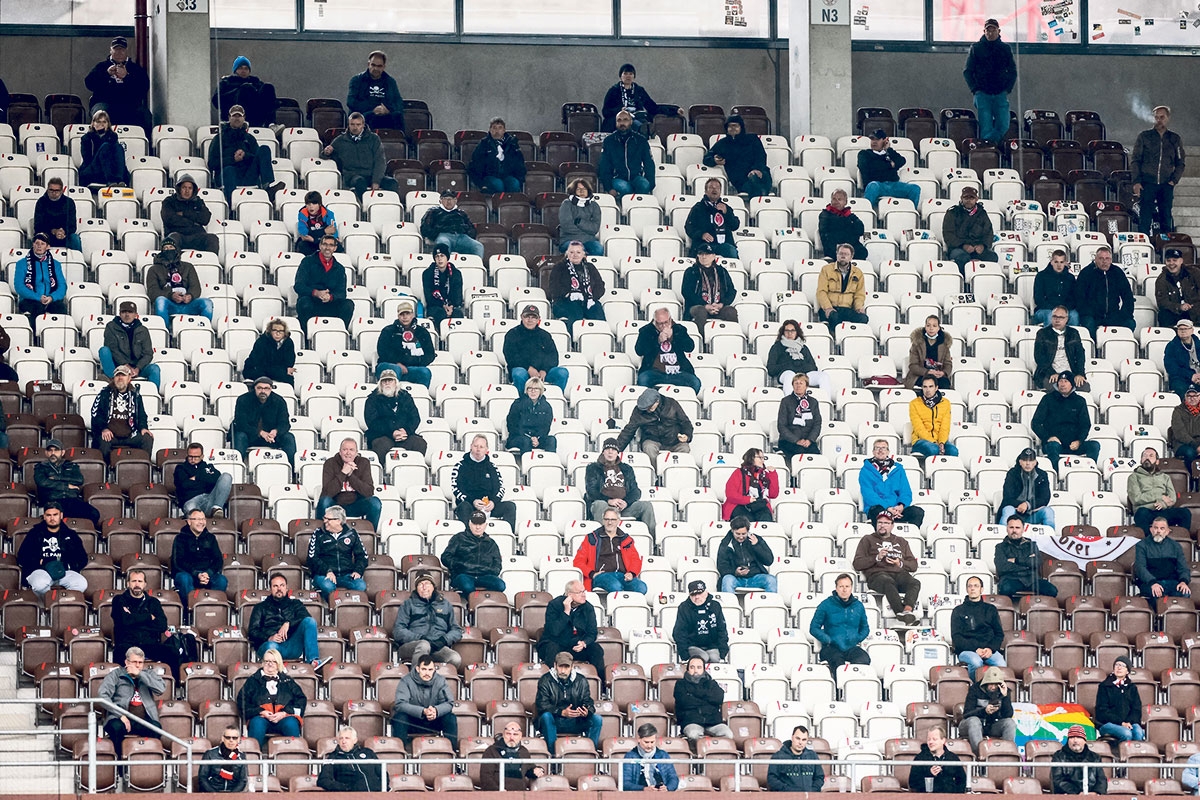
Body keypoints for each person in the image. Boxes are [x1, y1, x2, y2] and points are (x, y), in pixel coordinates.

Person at [852, 510, 922, 625]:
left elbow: (913, 566)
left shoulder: (901, 541)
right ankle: (904, 616)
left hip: (899, 573)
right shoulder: (867, 539)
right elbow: (857, 564)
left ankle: (907, 611)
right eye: (879, 522)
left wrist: (899, 563)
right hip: (877, 575)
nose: (882, 525)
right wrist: (877, 557)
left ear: (892, 525)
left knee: (915, 582)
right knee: (888, 582)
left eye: (886, 523)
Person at [112, 567, 181, 680]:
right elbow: (123, 622)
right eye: (134, 581)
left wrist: (133, 619)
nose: (137, 584)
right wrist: (149, 617)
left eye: (140, 581)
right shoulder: (119, 600)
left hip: (149, 644)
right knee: (119, 653)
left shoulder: (153, 602)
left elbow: (162, 625)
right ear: (128, 583)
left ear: (145, 584)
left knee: (172, 652)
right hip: (127, 644)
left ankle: (177, 689)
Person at [99, 647, 164, 767]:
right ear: (127, 662)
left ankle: (148, 767)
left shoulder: (148, 674)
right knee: (116, 728)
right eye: (134, 662)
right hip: (120, 718)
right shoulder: (116, 675)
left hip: (143, 720)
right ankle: (119, 767)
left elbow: (161, 689)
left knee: (156, 728)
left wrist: (140, 675)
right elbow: (102, 696)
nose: (138, 665)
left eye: (140, 663)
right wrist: (120, 715)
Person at [206, 104, 282, 204]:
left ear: (244, 118)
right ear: (229, 118)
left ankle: (267, 188)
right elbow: (212, 163)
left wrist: (245, 156)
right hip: (227, 175)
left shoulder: (249, 138)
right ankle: (231, 205)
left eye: (239, 116)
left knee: (264, 149)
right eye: (234, 116)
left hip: (247, 175)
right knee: (229, 170)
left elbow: (257, 159)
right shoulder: (219, 139)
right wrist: (233, 159)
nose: (237, 118)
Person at [236, 648, 306, 748]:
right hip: (261, 718)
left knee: (291, 723)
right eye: (267, 661)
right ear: (263, 663)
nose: (270, 664)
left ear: (279, 664)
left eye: (274, 661)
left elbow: (301, 699)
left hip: (283, 717)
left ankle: (295, 758)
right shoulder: (252, 681)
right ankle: (253, 758)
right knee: (257, 724)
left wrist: (285, 713)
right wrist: (261, 711)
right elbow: (242, 701)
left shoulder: (288, 681)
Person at [1132, 105, 1185, 236]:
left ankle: (1165, 246)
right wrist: (1137, 181)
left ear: (1167, 119)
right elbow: (1135, 160)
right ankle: (1144, 244)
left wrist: (1173, 180)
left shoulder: (1174, 139)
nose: (1159, 120)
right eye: (1156, 117)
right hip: (1147, 183)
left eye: (1162, 117)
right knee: (1145, 217)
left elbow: (1181, 162)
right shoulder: (1144, 137)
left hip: (1166, 184)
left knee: (1166, 216)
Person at [963, 19, 1017, 146]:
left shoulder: (1005, 49)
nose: (991, 33)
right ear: (984, 31)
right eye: (988, 30)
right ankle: (988, 152)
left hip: (1000, 93)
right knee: (985, 126)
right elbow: (967, 71)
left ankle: (986, 144)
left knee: (1004, 125)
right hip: (982, 94)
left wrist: (1007, 88)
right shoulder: (976, 48)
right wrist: (975, 89)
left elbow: (1012, 71)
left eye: (993, 30)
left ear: (999, 31)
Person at [246, 574, 321, 666]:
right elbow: (252, 631)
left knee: (310, 621)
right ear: (270, 589)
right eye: (275, 586)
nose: (279, 588)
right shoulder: (260, 607)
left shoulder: (295, 604)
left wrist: (288, 623)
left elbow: (305, 616)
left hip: (292, 645)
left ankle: (314, 661)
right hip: (270, 645)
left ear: (286, 588)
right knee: (271, 647)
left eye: (282, 585)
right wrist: (269, 638)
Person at [535, 651, 603, 751]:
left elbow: (588, 702)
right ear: (555, 665)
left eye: (566, 667)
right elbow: (541, 704)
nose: (563, 670)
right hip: (554, 720)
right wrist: (561, 712)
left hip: (575, 720)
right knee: (546, 716)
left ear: (572, 667)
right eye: (560, 667)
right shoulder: (545, 680)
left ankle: (590, 753)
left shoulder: (581, 680)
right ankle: (554, 753)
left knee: (597, 719)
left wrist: (586, 711)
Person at [391, 572, 463, 666]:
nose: (424, 587)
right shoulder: (408, 604)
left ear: (433, 586)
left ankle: (436, 680)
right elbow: (398, 631)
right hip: (412, 645)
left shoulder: (446, 605)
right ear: (416, 588)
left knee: (455, 658)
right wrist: (419, 638)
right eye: (420, 584)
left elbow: (456, 630)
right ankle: (416, 679)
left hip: (437, 646)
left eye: (427, 583)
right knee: (424, 645)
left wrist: (443, 640)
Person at [322, 112, 400, 198]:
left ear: (363, 125)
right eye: (352, 124)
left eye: (358, 124)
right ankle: (364, 206)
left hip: (371, 175)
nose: (355, 127)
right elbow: (324, 156)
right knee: (359, 182)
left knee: (392, 183)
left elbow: (380, 161)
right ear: (349, 125)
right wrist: (326, 152)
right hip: (352, 176)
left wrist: (376, 181)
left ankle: (389, 206)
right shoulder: (340, 140)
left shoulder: (373, 139)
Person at [17, 502, 87, 598]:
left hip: (64, 570)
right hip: (41, 570)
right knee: (39, 584)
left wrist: (67, 565)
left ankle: (63, 606)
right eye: (49, 515)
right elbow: (22, 556)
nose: (52, 518)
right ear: (44, 516)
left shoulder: (70, 534)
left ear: (61, 515)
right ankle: (46, 607)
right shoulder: (34, 533)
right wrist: (39, 562)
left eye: (55, 515)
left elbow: (82, 558)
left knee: (81, 584)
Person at [537, 579, 606, 677]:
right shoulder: (554, 605)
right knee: (552, 648)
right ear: (569, 595)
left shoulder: (588, 608)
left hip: (577, 646)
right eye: (579, 592)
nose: (584, 595)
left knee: (596, 649)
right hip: (556, 643)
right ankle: (551, 684)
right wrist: (566, 612)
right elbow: (554, 631)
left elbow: (592, 632)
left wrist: (584, 643)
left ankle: (600, 686)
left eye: (584, 591)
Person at [1031, 371, 1101, 465]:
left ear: (1072, 384)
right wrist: (1048, 437)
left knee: (1094, 445)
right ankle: (1055, 475)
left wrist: (1079, 441)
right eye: (1060, 381)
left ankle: (1090, 472)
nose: (1062, 384)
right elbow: (1035, 423)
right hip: (1054, 443)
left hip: (1073, 445)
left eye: (1066, 381)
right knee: (1052, 446)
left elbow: (1085, 425)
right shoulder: (1048, 399)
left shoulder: (1080, 401)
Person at [84, 36, 151, 133]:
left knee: (144, 114)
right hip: (105, 103)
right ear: (110, 50)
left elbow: (143, 88)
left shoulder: (135, 69)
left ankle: (146, 145)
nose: (119, 52)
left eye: (122, 49)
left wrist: (127, 77)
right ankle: (99, 144)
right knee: (101, 112)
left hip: (130, 105)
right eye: (116, 49)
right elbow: (89, 83)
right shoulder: (101, 67)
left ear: (127, 51)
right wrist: (106, 74)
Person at [451, 436, 518, 532]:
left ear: (486, 450)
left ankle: (508, 537)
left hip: (488, 506)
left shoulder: (492, 467)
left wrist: (493, 502)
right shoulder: (460, 466)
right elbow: (456, 488)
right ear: (471, 447)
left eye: (481, 447)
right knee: (463, 506)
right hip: (470, 505)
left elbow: (500, 488)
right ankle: (468, 540)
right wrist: (473, 501)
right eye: (475, 446)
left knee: (510, 506)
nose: (478, 449)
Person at [573, 509, 647, 594]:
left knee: (641, 587)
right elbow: (578, 561)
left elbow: (636, 560)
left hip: (623, 575)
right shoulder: (591, 538)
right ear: (603, 521)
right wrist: (592, 574)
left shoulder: (626, 539)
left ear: (618, 521)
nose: (610, 522)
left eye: (613, 519)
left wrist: (631, 573)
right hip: (601, 575)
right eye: (607, 519)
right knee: (616, 586)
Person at [584, 439, 655, 529]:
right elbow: (591, 491)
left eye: (613, 449)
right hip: (604, 505)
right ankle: (602, 540)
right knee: (600, 504)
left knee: (646, 505)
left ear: (617, 452)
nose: (610, 452)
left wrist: (626, 502)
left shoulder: (626, 468)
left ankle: (652, 541)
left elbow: (635, 491)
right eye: (607, 449)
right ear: (603, 452)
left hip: (623, 507)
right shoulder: (593, 468)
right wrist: (609, 501)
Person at [389, 654, 458, 746]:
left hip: (434, 720)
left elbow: (449, 703)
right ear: (418, 669)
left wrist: (436, 711)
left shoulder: (441, 681)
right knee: (400, 718)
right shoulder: (406, 681)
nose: (427, 673)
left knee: (450, 718)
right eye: (424, 669)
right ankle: (400, 753)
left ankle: (451, 754)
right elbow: (400, 704)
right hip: (413, 721)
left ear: (434, 670)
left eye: (430, 670)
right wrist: (422, 711)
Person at [147, 233, 212, 330]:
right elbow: (153, 292)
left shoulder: (188, 266)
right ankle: (166, 333)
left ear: (176, 249)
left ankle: (203, 330)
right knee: (160, 301)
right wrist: (171, 295)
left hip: (188, 303)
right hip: (169, 303)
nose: (168, 250)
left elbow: (196, 287)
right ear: (161, 251)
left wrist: (190, 296)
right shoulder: (154, 269)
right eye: (165, 248)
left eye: (171, 247)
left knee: (207, 303)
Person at [809, 573, 870, 675]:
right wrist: (828, 639)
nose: (844, 589)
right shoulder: (826, 605)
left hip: (851, 647)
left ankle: (854, 687)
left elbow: (865, 628)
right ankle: (839, 689)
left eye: (847, 586)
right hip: (831, 648)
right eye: (841, 586)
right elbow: (814, 628)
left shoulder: (858, 606)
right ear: (836, 588)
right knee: (837, 662)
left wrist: (857, 638)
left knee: (864, 659)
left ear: (851, 588)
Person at [306, 504, 369, 599]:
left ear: (338, 521)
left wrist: (357, 571)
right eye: (324, 518)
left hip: (346, 575)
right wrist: (327, 571)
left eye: (328, 519)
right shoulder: (319, 533)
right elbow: (312, 558)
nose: (324, 521)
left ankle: (348, 609)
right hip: (324, 574)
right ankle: (330, 609)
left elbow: (362, 556)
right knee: (328, 587)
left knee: (360, 586)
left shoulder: (352, 533)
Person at [317, 439, 382, 531]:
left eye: (351, 450)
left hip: (356, 505)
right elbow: (327, 493)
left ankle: (369, 535)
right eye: (345, 450)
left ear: (356, 453)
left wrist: (351, 475)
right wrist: (343, 473)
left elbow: (369, 492)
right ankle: (320, 535)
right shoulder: (330, 463)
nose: (348, 453)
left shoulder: (363, 463)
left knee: (375, 503)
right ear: (340, 452)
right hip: (335, 505)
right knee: (324, 501)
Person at [294, 234, 354, 335]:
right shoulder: (307, 262)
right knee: (304, 303)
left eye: (331, 245)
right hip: (311, 301)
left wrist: (330, 297)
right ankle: (306, 337)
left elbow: (341, 293)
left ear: (335, 248)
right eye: (325, 244)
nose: (327, 247)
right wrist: (316, 293)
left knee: (348, 304)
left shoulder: (339, 268)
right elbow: (299, 286)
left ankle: (340, 334)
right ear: (320, 246)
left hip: (330, 304)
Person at [90, 367, 154, 458]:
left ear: (129, 379)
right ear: (113, 379)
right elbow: (96, 414)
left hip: (130, 435)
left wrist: (143, 428)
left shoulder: (135, 396)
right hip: (110, 435)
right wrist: (104, 429)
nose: (120, 378)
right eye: (117, 375)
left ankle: (143, 469)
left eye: (123, 375)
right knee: (104, 440)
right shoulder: (104, 394)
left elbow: (142, 415)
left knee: (147, 438)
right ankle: (106, 470)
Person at [171, 510, 228, 611]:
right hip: (189, 573)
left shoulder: (210, 538)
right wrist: (196, 574)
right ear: (189, 521)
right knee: (183, 578)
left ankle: (211, 609)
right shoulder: (180, 538)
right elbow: (178, 562)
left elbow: (218, 560)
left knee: (221, 580)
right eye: (198, 519)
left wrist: (208, 573)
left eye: (203, 519)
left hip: (207, 574)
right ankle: (191, 610)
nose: (201, 522)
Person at [859, 440, 925, 527]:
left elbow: (905, 491)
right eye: (877, 448)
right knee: (877, 510)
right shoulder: (865, 470)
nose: (880, 450)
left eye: (883, 448)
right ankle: (880, 539)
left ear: (888, 451)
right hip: (878, 508)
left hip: (896, 509)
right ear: (873, 452)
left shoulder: (898, 469)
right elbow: (868, 494)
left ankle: (910, 538)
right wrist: (887, 508)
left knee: (917, 512)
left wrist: (901, 506)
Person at [615, 386, 693, 460]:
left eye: (650, 407)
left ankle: (674, 472)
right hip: (652, 439)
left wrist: (687, 435)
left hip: (673, 440)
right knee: (649, 448)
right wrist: (616, 449)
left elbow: (685, 422)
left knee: (685, 448)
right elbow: (629, 430)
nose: (647, 410)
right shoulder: (638, 411)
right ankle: (655, 472)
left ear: (657, 401)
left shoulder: (672, 404)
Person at [364, 369, 427, 462]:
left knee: (419, 443)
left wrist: (406, 431)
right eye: (384, 381)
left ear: (396, 383)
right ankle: (381, 472)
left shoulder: (405, 397)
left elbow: (415, 418)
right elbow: (372, 423)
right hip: (382, 435)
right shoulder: (372, 399)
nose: (387, 383)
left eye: (390, 380)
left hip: (404, 435)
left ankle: (414, 471)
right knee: (381, 445)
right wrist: (392, 432)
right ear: (380, 384)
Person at [503, 304, 569, 393]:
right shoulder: (512, 334)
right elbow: (511, 356)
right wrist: (529, 368)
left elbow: (553, 356)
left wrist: (544, 370)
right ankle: (522, 401)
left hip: (542, 373)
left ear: (538, 319)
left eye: (534, 317)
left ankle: (556, 398)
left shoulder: (545, 335)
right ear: (521, 317)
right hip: (523, 371)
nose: (530, 320)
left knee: (562, 373)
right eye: (527, 316)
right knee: (518, 373)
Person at [33, 441, 101, 525]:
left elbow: (79, 480)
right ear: (46, 453)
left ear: (63, 452)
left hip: (72, 499)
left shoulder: (71, 465)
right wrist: (66, 486)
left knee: (94, 513)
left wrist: (57, 478)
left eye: (56, 450)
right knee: (61, 518)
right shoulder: (40, 467)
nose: (53, 453)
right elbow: (42, 482)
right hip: (53, 500)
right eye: (50, 450)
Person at [634, 308, 702, 392]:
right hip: (654, 371)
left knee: (695, 382)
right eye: (660, 324)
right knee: (643, 380)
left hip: (678, 372)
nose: (663, 326)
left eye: (665, 322)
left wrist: (673, 337)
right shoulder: (646, 330)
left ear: (670, 320)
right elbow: (639, 351)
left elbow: (689, 347)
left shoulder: (679, 329)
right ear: (654, 321)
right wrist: (657, 341)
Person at [703, 114, 771, 198]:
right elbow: (706, 158)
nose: (732, 128)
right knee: (753, 185)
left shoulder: (752, 139)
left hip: (759, 174)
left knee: (756, 179)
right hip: (740, 180)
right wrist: (714, 161)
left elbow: (761, 155)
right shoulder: (722, 144)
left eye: (735, 126)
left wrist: (756, 169)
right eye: (730, 126)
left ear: (741, 127)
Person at [232, 376, 297, 464]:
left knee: (289, 437)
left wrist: (275, 431)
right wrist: (260, 433)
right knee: (240, 436)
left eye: (266, 388)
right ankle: (237, 467)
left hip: (271, 437)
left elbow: (285, 423)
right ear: (254, 388)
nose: (263, 391)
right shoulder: (243, 400)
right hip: (250, 435)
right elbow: (241, 423)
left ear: (271, 389)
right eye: (259, 388)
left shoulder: (279, 401)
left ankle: (293, 472)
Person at [441, 509, 507, 594]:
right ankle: (474, 602)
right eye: (475, 524)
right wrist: (460, 565)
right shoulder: (459, 538)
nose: (478, 527)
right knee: (466, 585)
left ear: (485, 525)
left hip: (485, 576)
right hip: (463, 575)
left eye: (481, 524)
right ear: (469, 523)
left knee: (500, 585)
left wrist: (490, 570)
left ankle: (480, 600)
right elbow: (445, 557)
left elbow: (497, 563)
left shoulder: (491, 543)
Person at [1075, 247, 1135, 336]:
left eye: (1107, 259)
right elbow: (1079, 298)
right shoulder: (1086, 273)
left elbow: (1128, 296)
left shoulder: (1117, 272)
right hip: (1092, 315)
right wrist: (1088, 313)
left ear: (1111, 260)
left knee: (1130, 323)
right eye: (1101, 258)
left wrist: (1124, 314)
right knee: (1088, 324)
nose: (1104, 261)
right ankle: (1094, 348)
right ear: (1095, 259)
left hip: (1113, 314)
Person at [1129, 447, 1190, 533]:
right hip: (1146, 511)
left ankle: (1181, 539)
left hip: (1163, 511)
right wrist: (1159, 497)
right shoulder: (1133, 477)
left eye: (1151, 456)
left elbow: (1172, 498)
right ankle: (1148, 543)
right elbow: (1136, 499)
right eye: (1144, 456)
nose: (1147, 458)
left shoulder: (1165, 477)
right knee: (1141, 513)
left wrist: (1163, 504)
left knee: (1185, 513)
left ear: (1157, 461)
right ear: (1140, 460)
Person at [994, 515, 1058, 599]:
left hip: (1032, 579)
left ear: (1023, 529)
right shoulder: (1000, 547)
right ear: (1007, 529)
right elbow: (1002, 567)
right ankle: (1012, 611)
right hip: (1011, 579)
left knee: (1052, 590)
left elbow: (1037, 562)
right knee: (1006, 589)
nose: (1014, 530)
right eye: (1011, 527)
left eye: (1017, 527)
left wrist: (1016, 561)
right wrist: (1027, 564)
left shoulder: (1032, 545)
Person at [15, 233, 68, 331]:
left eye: (42, 243)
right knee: (37, 307)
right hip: (30, 300)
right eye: (37, 243)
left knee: (60, 308)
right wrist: (37, 297)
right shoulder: (22, 263)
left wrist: (52, 297)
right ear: (33, 245)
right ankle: (35, 340)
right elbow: (19, 286)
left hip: (50, 299)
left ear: (48, 247)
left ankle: (57, 338)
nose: (39, 246)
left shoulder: (55, 264)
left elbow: (62, 286)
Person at [951, 575, 1006, 670]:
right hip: (967, 650)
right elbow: (957, 637)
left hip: (988, 649)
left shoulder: (991, 609)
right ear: (966, 589)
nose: (972, 588)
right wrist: (976, 649)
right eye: (970, 586)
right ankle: (976, 685)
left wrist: (990, 649)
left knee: (1001, 664)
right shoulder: (958, 610)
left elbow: (999, 634)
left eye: (976, 586)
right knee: (976, 662)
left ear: (981, 589)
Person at [549, 240, 607, 329]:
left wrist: (591, 297)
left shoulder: (590, 267)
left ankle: (600, 339)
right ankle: (573, 340)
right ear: (567, 254)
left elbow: (600, 286)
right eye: (571, 252)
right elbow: (554, 287)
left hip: (588, 301)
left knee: (597, 311)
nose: (575, 255)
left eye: (578, 252)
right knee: (575, 312)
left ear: (584, 254)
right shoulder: (559, 267)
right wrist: (568, 294)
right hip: (564, 301)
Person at [375, 299, 433, 386]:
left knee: (425, 372)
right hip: (389, 365)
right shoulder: (388, 330)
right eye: (402, 314)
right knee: (395, 370)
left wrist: (413, 362)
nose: (405, 317)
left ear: (413, 315)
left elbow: (430, 354)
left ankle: (420, 397)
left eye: (408, 314)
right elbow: (382, 351)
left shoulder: (422, 332)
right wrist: (397, 363)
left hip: (412, 367)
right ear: (398, 316)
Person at [674, 657, 733, 742]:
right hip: (691, 721)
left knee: (728, 734)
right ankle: (698, 754)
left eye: (699, 667)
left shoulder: (712, 683)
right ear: (687, 669)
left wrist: (693, 695)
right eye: (692, 667)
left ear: (704, 669)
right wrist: (706, 699)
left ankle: (714, 754)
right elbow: (685, 702)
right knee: (694, 734)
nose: (695, 670)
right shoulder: (680, 684)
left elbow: (718, 698)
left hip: (713, 722)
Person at [99, 302, 159, 386]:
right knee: (104, 351)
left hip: (136, 367)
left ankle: (153, 394)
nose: (127, 315)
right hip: (118, 366)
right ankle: (113, 382)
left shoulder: (143, 330)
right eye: (124, 312)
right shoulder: (111, 327)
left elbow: (148, 353)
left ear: (135, 314)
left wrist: (138, 368)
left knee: (154, 369)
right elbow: (113, 349)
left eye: (130, 312)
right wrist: (125, 366)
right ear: (119, 313)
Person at [681, 243, 738, 331]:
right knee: (700, 311)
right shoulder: (691, 271)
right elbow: (686, 292)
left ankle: (732, 339)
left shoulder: (722, 271)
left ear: (713, 256)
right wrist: (705, 305)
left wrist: (721, 304)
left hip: (718, 306)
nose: (704, 257)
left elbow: (731, 291)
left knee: (731, 311)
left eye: (707, 254)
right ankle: (701, 340)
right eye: (701, 254)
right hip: (698, 306)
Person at [599, 110, 656, 197]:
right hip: (617, 178)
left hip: (636, 177)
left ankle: (638, 208)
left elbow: (649, 163)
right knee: (626, 188)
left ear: (631, 122)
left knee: (644, 185)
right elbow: (604, 166)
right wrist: (609, 187)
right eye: (619, 120)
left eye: (625, 120)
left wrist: (651, 183)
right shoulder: (609, 141)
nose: (622, 123)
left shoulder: (641, 140)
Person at [960, 666, 1015, 755]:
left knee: (1010, 723)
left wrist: (1005, 697)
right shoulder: (975, 689)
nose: (993, 687)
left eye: (996, 684)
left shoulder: (1003, 691)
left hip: (991, 725)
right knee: (974, 721)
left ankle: (1006, 754)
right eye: (991, 684)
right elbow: (967, 713)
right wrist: (984, 711)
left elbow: (1008, 715)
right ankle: (981, 755)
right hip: (971, 724)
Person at [858, 128, 920, 208]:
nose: (874, 142)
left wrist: (888, 149)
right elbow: (870, 167)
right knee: (873, 186)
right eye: (872, 139)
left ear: (884, 140)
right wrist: (890, 165)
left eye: (877, 139)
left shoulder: (889, 153)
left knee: (915, 188)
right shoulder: (864, 154)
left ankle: (910, 213)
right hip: (876, 185)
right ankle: (866, 212)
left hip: (893, 184)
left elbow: (902, 161)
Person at [1134, 516, 1192, 599]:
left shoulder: (1176, 546)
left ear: (1167, 531)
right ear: (1151, 530)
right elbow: (1140, 568)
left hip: (1172, 583)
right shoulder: (1142, 545)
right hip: (1150, 583)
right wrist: (1153, 583)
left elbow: (1183, 568)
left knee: (1185, 593)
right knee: (1156, 594)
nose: (1158, 531)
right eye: (1156, 528)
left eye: (1162, 528)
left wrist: (1183, 582)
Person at [942, 185, 996, 273]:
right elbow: (948, 234)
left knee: (992, 257)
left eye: (971, 198)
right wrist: (963, 245)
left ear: (976, 199)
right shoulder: (952, 212)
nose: (968, 200)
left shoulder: (982, 213)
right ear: (961, 198)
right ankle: (963, 282)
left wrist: (983, 246)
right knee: (962, 258)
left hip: (977, 248)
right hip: (958, 248)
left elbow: (989, 233)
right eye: (966, 198)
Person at [767, 320, 831, 394]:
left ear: (797, 332)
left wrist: (800, 366)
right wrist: (789, 365)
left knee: (824, 376)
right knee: (790, 375)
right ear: (783, 332)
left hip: (804, 374)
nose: (789, 333)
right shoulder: (777, 347)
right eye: (787, 331)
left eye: (793, 331)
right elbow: (771, 369)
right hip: (786, 373)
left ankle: (826, 402)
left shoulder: (803, 347)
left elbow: (813, 367)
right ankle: (790, 403)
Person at [716, 516, 777, 593]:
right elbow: (721, 566)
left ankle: (770, 605)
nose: (741, 537)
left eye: (743, 534)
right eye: (738, 534)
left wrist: (756, 545)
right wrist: (735, 572)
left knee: (771, 580)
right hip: (735, 577)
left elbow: (769, 560)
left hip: (755, 577)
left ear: (748, 531)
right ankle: (730, 604)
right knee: (727, 580)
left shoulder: (756, 539)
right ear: (732, 530)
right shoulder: (726, 543)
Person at [672, 580, 728, 663]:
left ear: (706, 592)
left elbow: (722, 630)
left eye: (700, 593)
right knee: (702, 658)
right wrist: (685, 656)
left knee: (715, 659)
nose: (697, 597)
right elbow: (679, 633)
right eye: (693, 594)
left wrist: (723, 654)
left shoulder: (715, 606)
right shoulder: (684, 607)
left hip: (712, 646)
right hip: (692, 646)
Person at [1033, 307, 1089, 392]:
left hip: (1070, 374)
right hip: (1048, 374)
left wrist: (1080, 374)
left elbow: (1080, 355)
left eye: (1061, 317)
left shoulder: (1073, 333)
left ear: (1067, 319)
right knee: (1056, 388)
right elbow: (1040, 358)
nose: (1057, 320)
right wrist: (1052, 373)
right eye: (1054, 317)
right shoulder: (1042, 333)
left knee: (1084, 387)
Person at [346, 50, 404, 131]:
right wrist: (373, 109)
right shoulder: (357, 80)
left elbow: (399, 103)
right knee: (367, 117)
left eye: (379, 66)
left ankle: (400, 142)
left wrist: (387, 110)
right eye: (373, 65)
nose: (375, 68)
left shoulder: (390, 82)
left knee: (398, 116)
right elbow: (351, 102)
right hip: (365, 115)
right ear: (368, 64)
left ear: (384, 67)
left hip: (385, 115)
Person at [815, 243, 868, 330]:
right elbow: (821, 291)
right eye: (841, 254)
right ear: (837, 255)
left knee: (863, 318)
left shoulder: (858, 273)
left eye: (846, 254)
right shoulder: (826, 270)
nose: (843, 256)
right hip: (831, 308)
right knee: (834, 317)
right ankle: (835, 339)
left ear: (851, 257)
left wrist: (858, 308)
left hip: (847, 309)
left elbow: (859, 294)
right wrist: (828, 308)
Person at [212, 56, 276, 127]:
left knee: (268, 87)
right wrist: (237, 92)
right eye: (240, 68)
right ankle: (242, 122)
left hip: (256, 115)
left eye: (246, 68)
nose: (243, 71)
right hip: (234, 116)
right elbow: (216, 100)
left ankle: (271, 124)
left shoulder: (256, 83)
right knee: (246, 88)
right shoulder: (226, 83)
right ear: (235, 70)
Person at [162, 174, 219, 254]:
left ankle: (211, 265)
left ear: (193, 190)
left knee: (212, 238)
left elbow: (205, 219)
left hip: (196, 236)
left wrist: (185, 214)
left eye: (190, 188)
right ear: (179, 189)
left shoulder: (198, 201)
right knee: (172, 239)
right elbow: (169, 219)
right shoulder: (169, 201)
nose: (187, 191)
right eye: (184, 187)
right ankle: (174, 265)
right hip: (178, 235)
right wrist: (193, 222)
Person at [479, 721, 546, 791]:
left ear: (520, 736)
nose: (511, 737)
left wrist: (539, 770)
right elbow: (485, 777)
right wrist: (498, 791)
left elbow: (530, 770)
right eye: (508, 734)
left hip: (521, 794)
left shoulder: (523, 751)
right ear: (503, 735)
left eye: (515, 734)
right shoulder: (492, 751)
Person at [684, 178, 740, 258]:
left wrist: (727, 214)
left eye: (717, 188)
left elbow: (735, 226)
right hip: (703, 244)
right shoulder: (698, 208)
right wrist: (701, 234)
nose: (714, 190)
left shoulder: (725, 207)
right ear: (706, 191)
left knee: (731, 251)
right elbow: (689, 227)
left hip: (724, 245)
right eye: (711, 187)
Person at [468, 116, 526, 194]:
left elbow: (520, 163)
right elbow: (475, 164)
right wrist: (480, 183)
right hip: (489, 176)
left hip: (508, 175)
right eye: (494, 128)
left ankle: (510, 204)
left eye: (500, 128)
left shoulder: (512, 144)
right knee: (498, 185)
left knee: (514, 184)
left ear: (504, 130)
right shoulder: (484, 144)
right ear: (490, 130)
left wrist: (519, 178)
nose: (497, 131)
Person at [998, 448, 1055, 527]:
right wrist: (1021, 505)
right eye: (1025, 460)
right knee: (1008, 510)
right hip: (1015, 512)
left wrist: (1027, 505)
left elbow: (1045, 498)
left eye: (1031, 461)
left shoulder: (1042, 475)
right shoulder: (1012, 473)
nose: (1028, 463)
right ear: (1020, 462)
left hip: (1033, 514)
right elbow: (1007, 497)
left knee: (1048, 511)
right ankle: (1002, 536)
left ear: (1035, 462)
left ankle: (1050, 538)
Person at [420, 190, 484, 258]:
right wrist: (437, 232)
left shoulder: (461, 213)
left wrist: (464, 229)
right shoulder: (433, 212)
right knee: (443, 244)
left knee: (478, 246)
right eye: (446, 199)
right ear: (441, 200)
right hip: (443, 236)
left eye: (451, 199)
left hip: (461, 237)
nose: (449, 201)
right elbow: (425, 228)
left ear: (455, 200)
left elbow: (471, 229)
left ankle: (476, 267)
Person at [722, 448, 779, 523]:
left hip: (760, 504)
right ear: (751, 458)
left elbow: (773, 494)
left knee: (765, 520)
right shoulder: (739, 472)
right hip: (739, 505)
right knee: (746, 521)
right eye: (759, 457)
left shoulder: (765, 475)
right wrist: (748, 499)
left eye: (763, 458)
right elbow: (730, 494)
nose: (763, 460)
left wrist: (773, 474)